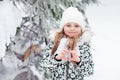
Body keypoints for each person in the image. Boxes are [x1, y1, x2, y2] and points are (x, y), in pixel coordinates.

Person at [36, 7, 94, 80]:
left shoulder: (83, 46)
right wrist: (57, 59)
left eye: (76, 26)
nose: (72, 28)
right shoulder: (55, 43)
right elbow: (44, 66)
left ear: (81, 28)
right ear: (63, 27)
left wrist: (79, 61)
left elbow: (89, 71)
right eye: (68, 25)